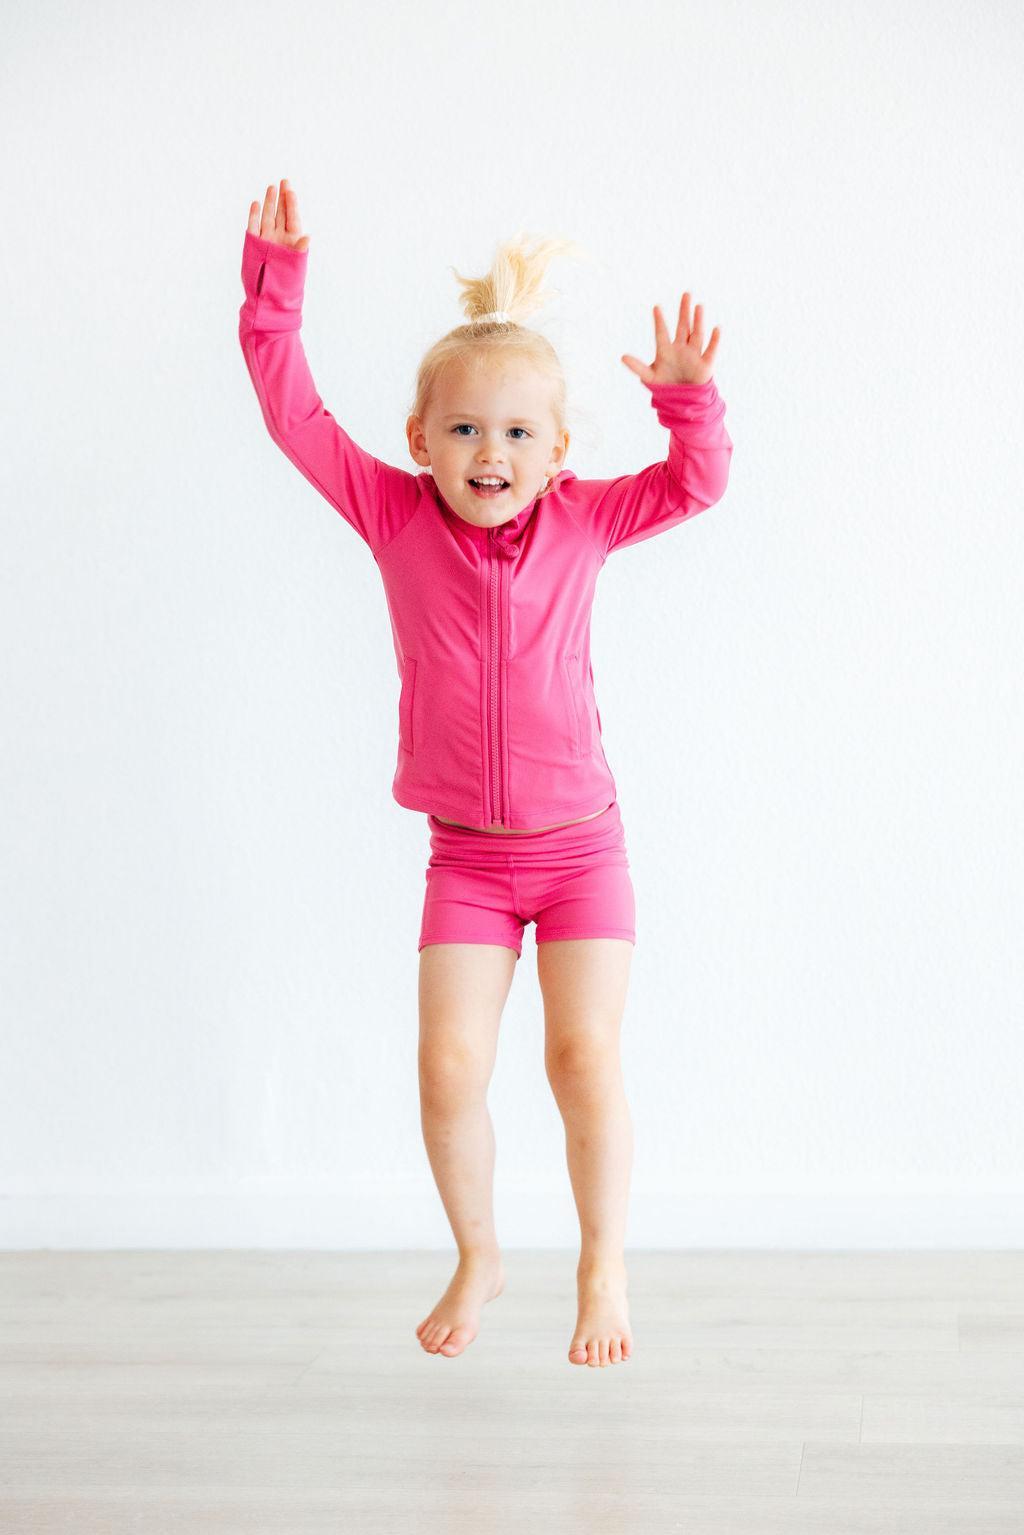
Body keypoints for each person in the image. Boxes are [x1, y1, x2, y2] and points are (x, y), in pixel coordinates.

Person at [239, 178, 734, 1368]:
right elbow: (293, 413)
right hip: (463, 857)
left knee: (581, 1056)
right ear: (421, 441)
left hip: (580, 850)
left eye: (517, 433)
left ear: (558, 451)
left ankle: (602, 1261)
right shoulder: (393, 514)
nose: (489, 452)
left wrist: (688, 402)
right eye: (463, 430)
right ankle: (479, 1251)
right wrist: (276, 289)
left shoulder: (585, 521)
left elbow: (697, 483)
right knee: (449, 1064)